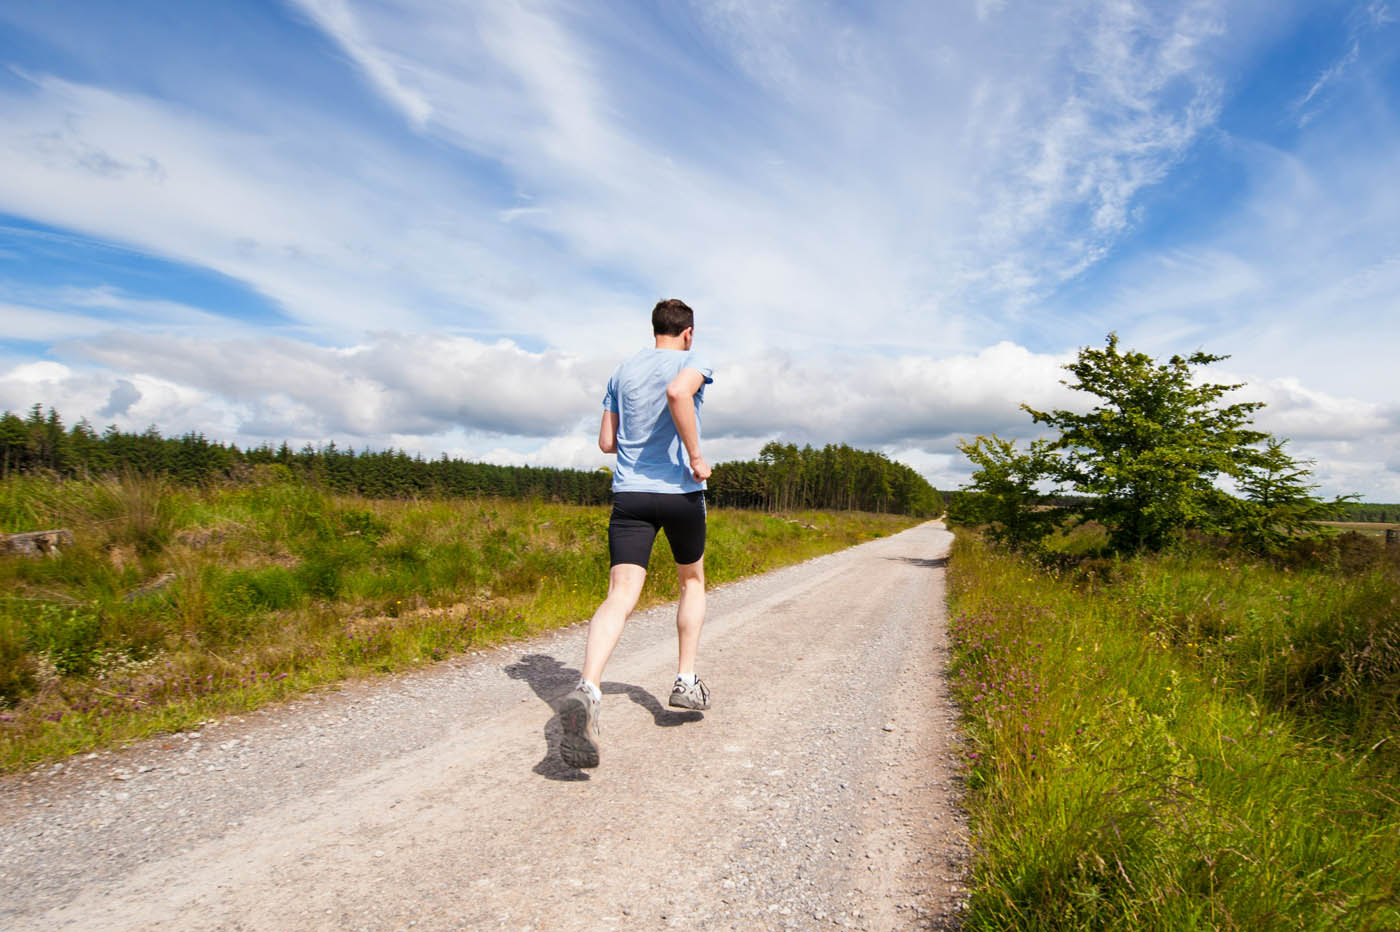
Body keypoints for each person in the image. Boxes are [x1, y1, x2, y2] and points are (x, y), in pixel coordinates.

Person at [557, 298, 714, 769]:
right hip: (681, 494)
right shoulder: (694, 361)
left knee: (620, 594)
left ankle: (588, 687)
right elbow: (677, 394)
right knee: (691, 580)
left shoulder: (622, 371)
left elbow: (607, 441)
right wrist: (696, 456)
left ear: (655, 330)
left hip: (630, 495)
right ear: (688, 332)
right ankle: (685, 681)